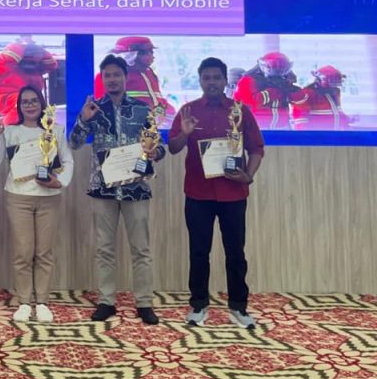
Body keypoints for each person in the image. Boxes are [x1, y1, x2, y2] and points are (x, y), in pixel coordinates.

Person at [168, 58, 264, 329]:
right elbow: (173, 148)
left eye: (217, 77)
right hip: (198, 194)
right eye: (206, 78)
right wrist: (184, 133)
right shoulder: (188, 111)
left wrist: (248, 175)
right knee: (199, 252)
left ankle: (238, 307)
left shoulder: (241, 111)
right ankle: (199, 305)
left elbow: (257, 149)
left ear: (225, 81)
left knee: (236, 253)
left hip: (233, 194)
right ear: (200, 81)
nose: (211, 82)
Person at [69, 55, 165, 325]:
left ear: (125, 77)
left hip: (136, 189)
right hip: (103, 190)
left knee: (141, 249)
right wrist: (83, 120)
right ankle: (106, 301)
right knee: (104, 249)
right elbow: (74, 143)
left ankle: (144, 303)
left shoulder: (142, 110)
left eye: (116, 75)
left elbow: (158, 146)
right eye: (107, 75)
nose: (112, 79)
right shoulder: (93, 109)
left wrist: (156, 152)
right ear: (102, 79)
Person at [0, 85, 73, 323]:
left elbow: (67, 161)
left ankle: (42, 302)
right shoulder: (10, 132)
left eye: (34, 100)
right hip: (18, 197)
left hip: (49, 198)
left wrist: (60, 182)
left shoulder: (56, 130)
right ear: (19, 106)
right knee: (23, 252)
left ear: (42, 103)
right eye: (25, 102)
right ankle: (24, 302)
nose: (30, 105)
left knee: (44, 252)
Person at [93, 36, 175, 121]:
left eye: (151, 52)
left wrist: (169, 112)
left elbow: (157, 99)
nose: (151, 57)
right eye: (145, 53)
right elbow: (101, 105)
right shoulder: (107, 76)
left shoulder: (150, 74)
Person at [0, 40, 59, 125]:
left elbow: (51, 64)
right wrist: (25, 47)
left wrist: (40, 51)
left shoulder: (33, 71)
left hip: (18, 100)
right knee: (22, 101)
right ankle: (11, 130)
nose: (31, 63)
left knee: (37, 105)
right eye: (29, 58)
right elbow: (10, 54)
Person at [233, 52, 300, 130]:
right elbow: (247, 101)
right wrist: (274, 91)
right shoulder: (248, 80)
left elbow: (300, 103)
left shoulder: (286, 81)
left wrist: (294, 92)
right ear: (265, 66)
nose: (278, 68)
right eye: (274, 65)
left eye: (281, 66)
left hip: (282, 127)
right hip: (256, 128)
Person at [290, 65, 349, 130]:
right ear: (323, 80)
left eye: (336, 82)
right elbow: (300, 117)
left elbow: (337, 112)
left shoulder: (335, 92)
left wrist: (346, 120)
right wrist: (303, 133)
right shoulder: (307, 93)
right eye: (332, 82)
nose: (334, 85)